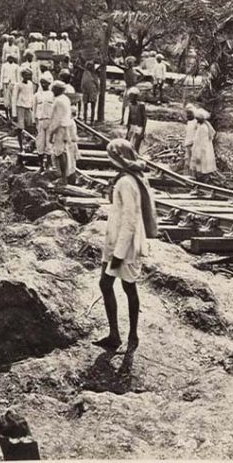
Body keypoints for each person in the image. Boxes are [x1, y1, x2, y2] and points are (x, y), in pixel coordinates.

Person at [95, 138, 155, 352]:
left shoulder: (126, 183)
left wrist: (119, 254)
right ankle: (119, 335)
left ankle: (129, 335)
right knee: (112, 285)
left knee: (122, 285)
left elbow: (130, 220)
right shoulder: (127, 178)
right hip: (116, 242)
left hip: (124, 246)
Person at [47, 81, 77, 186]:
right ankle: (66, 176)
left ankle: (64, 178)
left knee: (59, 152)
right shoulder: (65, 99)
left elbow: (57, 119)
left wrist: (51, 132)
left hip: (60, 128)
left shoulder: (58, 101)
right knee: (63, 151)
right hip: (66, 127)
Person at [13, 67, 36, 152]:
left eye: (29, 75)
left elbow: (31, 96)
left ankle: (29, 145)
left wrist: (32, 106)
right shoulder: (18, 85)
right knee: (20, 127)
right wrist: (14, 114)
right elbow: (14, 98)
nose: (28, 77)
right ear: (22, 75)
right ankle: (20, 146)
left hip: (28, 107)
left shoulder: (30, 84)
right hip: (20, 107)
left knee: (30, 126)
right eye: (26, 75)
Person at [33, 77, 55, 166]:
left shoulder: (52, 95)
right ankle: (41, 165)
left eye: (45, 83)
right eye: (42, 83)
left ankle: (48, 165)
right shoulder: (37, 95)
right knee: (40, 143)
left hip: (50, 121)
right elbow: (34, 109)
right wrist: (34, 122)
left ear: (49, 84)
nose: (44, 85)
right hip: (40, 121)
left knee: (49, 143)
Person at [189, 108, 217, 178]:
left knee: (201, 166)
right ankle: (201, 179)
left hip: (202, 149)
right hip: (201, 148)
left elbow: (202, 142)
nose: (196, 120)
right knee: (201, 167)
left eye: (198, 118)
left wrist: (198, 154)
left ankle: (201, 180)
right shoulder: (202, 126)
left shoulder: (203, 128)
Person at [125, 87, 147, 152]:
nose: (130, 98)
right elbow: (129, 118)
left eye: (132, 96)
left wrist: (143, 131)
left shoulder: (141, 105)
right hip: (132, 126)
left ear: (136, 96)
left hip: (139, 127)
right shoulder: (130, 105)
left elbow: (144, 118)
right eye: (130, 96)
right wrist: (128, 131)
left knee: (136, 146)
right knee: (129, 145)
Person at [0, 55, 20, 122]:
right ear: (7, 59)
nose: (10, 59)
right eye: (9, 58)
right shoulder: (4, 65)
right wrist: (1, 87)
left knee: (13, 100)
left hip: (13, 84)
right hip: (6, 83)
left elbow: (18, 77)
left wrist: (18, 85)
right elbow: (1, 76)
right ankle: (7, 116)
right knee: (6, 101)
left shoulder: (16, 66)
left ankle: (12, 116)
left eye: (12, 58)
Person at [120, 57, 139, 124]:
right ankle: (122, 119)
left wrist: (137, 81)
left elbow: (142, 75)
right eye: (129, 63)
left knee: (132, 105)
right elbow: (117, 65)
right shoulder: (126, 69)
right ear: (127, 63)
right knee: (124, 105)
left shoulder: (134, 70)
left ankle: (129, 120)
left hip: (133, 88)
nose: (130, 64)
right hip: (128, 88)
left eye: (131, 62)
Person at [182, 104, 197, 173]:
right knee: (187, 160)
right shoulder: (189, 122)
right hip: (188, 144)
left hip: (194, 144)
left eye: (190, 113)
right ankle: (186, 175)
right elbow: (188, 134)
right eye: (187, 113)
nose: (188, 115)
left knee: (193, 162)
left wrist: (193, 142)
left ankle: (192, 177)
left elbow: (197, 135)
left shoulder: (196, 122)